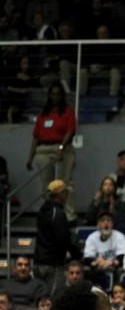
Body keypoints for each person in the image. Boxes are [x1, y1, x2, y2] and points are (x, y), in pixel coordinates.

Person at [27, 83, 77, 221]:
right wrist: (30, 158)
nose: (56, 97)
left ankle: (68, 215)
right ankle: (50, 214)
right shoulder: (44, 114)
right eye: (53, 94)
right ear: (49, 96)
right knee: (46, 185)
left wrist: (61, 148)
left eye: (58, 94)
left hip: (62, 148)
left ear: (62, 96)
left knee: (64, 183)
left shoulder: (68, 112)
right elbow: (36, 137)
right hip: (43, 149)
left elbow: (70, 131)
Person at [35, 179, 81, 296]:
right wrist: (76, 253)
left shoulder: (43, 210)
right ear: (60, 194)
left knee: (40, 298)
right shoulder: (58, 213)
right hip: (53, 264)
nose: (67, 195)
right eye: (65, 192)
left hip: (39, 262)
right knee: (53, 298)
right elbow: (63, 239)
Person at [84, 210, 125, 281]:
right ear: (98, 225)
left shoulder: (120, 236)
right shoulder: (92, 237)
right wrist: (96, 262)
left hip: (114, 268)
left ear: (113, 224)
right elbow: (87, 258)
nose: (106, 223)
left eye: (109, 220)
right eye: (102, 220)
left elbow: (122, 257)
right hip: (97, 267)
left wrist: (110, 263)